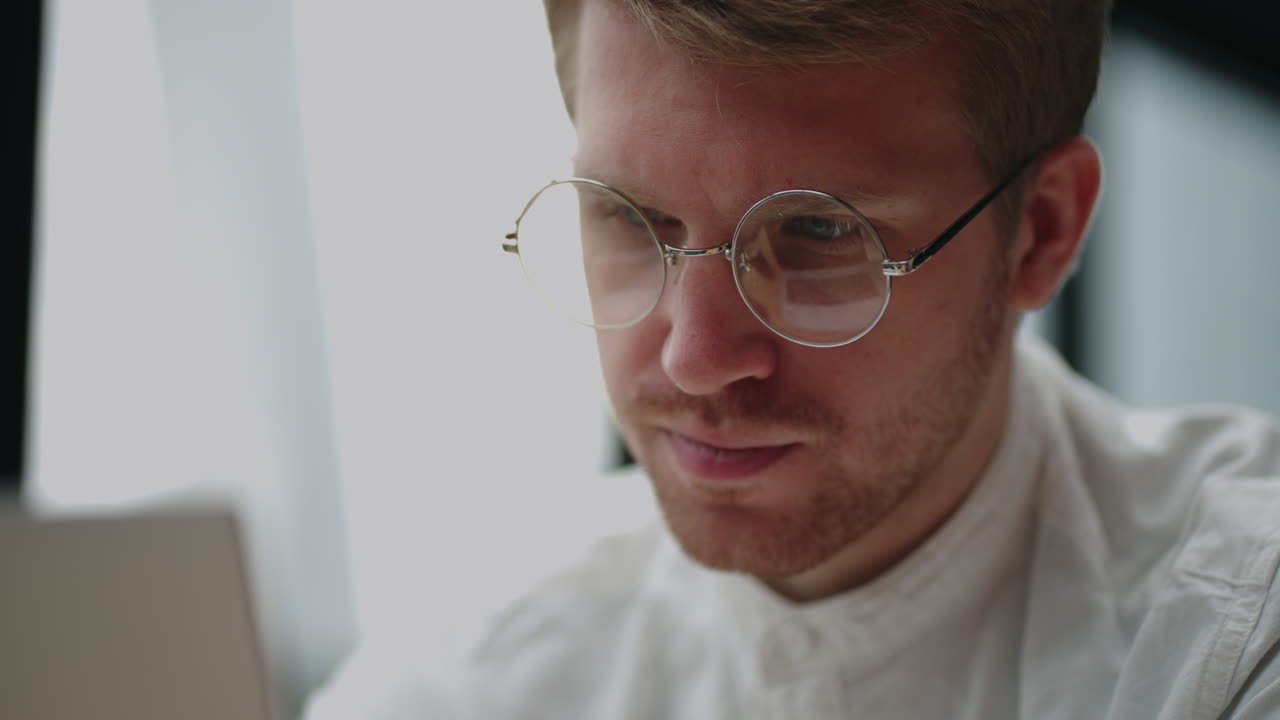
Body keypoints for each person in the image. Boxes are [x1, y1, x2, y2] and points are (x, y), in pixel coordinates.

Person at [308, 1, 1280, 717]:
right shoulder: (469, 669)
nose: (693, 358)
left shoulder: (1234, 637)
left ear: (1040, 232)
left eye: (818, 232)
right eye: (631, 219)